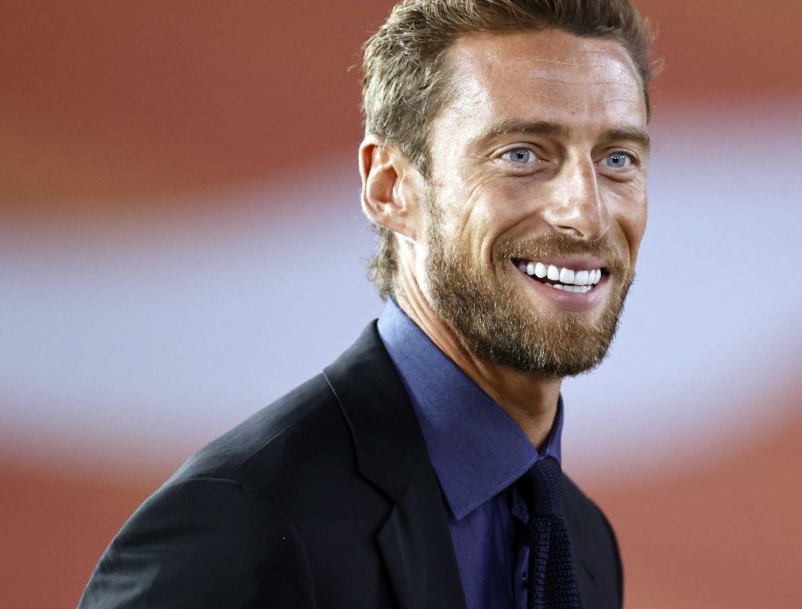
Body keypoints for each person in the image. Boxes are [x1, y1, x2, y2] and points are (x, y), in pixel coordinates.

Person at [78, 0, 653, 607]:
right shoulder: (237, 523)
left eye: (618, 160)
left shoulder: (584, 543)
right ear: (390, 187)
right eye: (521, 154)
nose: (586, 213)